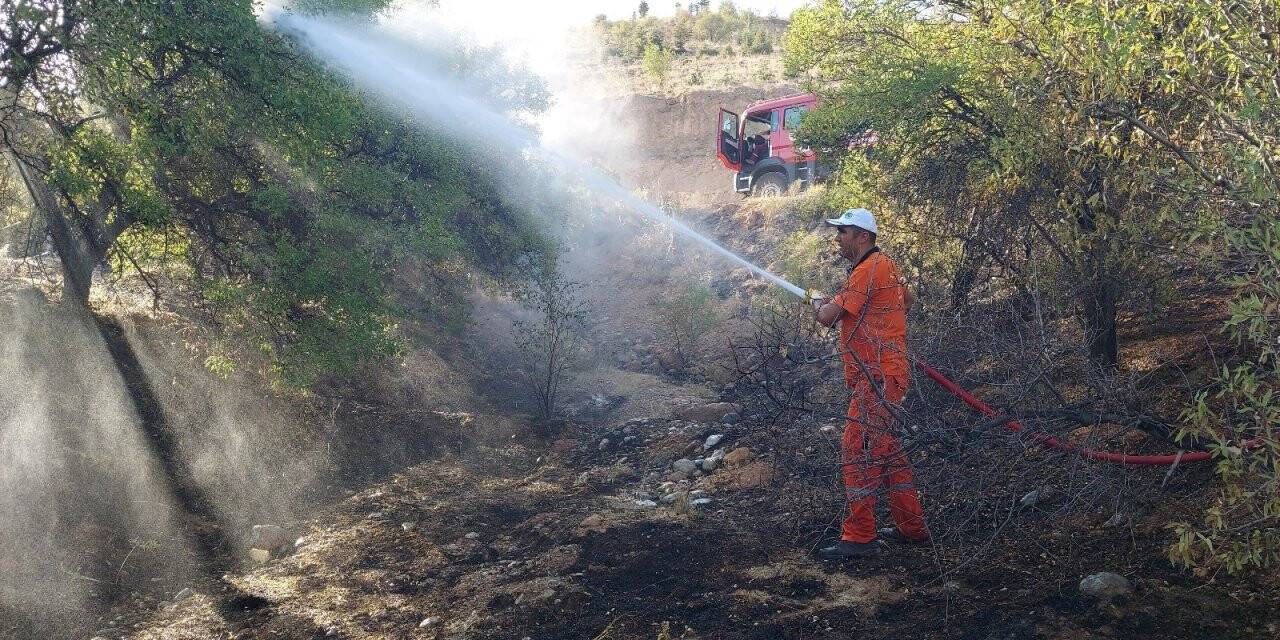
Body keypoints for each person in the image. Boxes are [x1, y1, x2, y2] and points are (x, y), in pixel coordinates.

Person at [809, 207, 929, 559]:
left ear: (863, 236)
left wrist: (818, 302)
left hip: (877, 378)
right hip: (886, 374)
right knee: (887, 450)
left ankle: (860, 536)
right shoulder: (885, 265)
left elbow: (828, 317)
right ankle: (913, 527)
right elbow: (906, 300)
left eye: (843, 232)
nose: (838, 237)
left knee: (856, 449)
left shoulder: (865, 271)